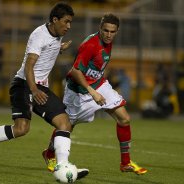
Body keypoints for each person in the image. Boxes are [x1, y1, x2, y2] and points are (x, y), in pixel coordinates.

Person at [0, 2, 88, 180]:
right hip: (24, 84)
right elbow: (29, 66)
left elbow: (47, 51)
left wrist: (59, 49)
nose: (69, 26)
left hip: (39, 87)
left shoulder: (56, 34)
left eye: (70, 22)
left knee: (64, 124)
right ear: (55, 19)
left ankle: (63, 165)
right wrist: (34, 90)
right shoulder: (39, 35)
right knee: (21, 129)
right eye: (66, 22)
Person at [42, 13, 147, 175]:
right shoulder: (90, 45)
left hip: (99, 83)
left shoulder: (108, 42)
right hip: (78, 91)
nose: (109, 34)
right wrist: (92, 92)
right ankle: (49, 153)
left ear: (117, 31)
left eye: (112, 32)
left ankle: (125, 163)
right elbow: (76, 71)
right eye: (106, 30)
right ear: (100, 28)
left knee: (124, 119)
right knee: (66, 126)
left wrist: (98, 87)